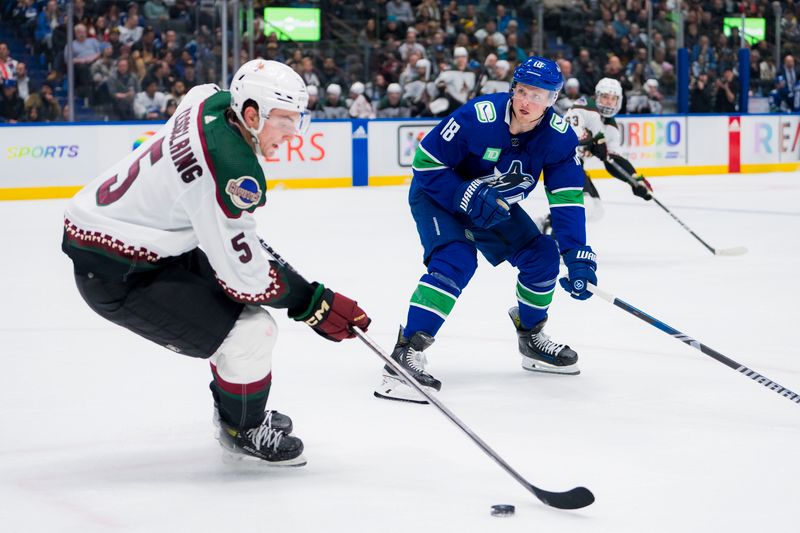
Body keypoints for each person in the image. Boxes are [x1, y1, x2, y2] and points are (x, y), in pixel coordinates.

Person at [61, 60, 371, 466]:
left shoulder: (209, 100)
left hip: (128, 238)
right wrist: (311, 302)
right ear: (250, 114)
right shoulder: (231, 171)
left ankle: (236, 409)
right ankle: (241, 429)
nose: (292, 135)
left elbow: (229, 237)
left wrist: (305, 293)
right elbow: (246, 279)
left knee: (239, 326)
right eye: (283, 121)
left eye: (297, 121)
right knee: (251, 332)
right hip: (119, 273)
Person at [374, 56, 598, 403]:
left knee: (543, 257)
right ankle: (405, 352)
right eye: (522, 92)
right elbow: (425, 162)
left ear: (553, 100)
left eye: (538, 96)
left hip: (493, 206)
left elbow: (567, 201)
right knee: (456, 260)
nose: (527, 102)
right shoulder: (478, 117)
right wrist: (459, 192)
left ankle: (531, 336)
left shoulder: (559, 139)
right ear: (513, 89)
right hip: (439, 197)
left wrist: (577, 253)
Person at [540, 78, 652, 232]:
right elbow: (569, 138)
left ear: (618, 101)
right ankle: (555, 239)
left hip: (577, 166)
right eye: (605, 97)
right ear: (597, 96)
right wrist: (592, 141)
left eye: (613, 99)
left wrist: (634, 179)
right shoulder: (584, 107)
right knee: (585, 204)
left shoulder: (611, 128)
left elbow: (612, 160)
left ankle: (546, 223)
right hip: (562, 163)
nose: (608, 102)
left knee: (596, 211)